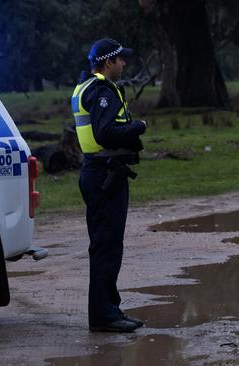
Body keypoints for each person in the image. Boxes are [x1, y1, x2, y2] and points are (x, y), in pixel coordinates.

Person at [71, 38, 147, 332]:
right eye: (120, 60)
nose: (124, 64)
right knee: (107, 247)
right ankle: (106, 316)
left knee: (105, 245)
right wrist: (138, 127)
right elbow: (105, 133)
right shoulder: (101, 91)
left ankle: (107, 311)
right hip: (105, 175)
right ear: (107, 62)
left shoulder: (86, 87)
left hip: (98, 172)